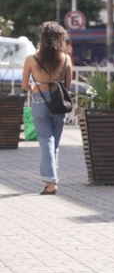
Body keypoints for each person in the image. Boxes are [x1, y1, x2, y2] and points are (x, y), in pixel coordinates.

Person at [21, 21, 72, 195]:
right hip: (59, 103)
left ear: (42, 38)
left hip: (39, 101)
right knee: (54, 143)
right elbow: (68, 86)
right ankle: (51, 179)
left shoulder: (31, 59)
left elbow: (24, 85)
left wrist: (36, 86)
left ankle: (50, 183)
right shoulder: (66, 59)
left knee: (46, 141)